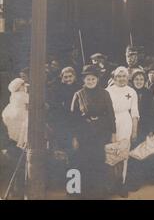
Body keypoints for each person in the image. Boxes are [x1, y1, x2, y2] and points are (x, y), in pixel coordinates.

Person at [71, 65, 116, 199]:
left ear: (97, 80)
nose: (90, 81)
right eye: (88, 79)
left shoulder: (105, 93)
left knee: (99, 161)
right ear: (84, 80)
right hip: (84, 134)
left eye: (93, 79)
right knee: (84, 162)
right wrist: (74, 137)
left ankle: (99, 193)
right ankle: (85, 194)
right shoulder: (78, 94)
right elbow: (73, 118)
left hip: (101, 134)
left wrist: (113, 133)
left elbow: (110, 114)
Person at [106, 66, 140, 198]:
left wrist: (134, 131)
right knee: (111, 152)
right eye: (118, 76)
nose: (121, 79)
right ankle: (111, 184)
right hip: (110, 123)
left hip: (126, 122)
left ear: (128, 78)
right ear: (114, 78)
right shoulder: (107, 91)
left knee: (124, 153)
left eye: (124, 76)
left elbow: (135, 112)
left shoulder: (131, 91)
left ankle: (121, 183)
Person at [47, 67, 80, 153]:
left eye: (70, 76)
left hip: (76, 117)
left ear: (74, 77)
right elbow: (54, 104)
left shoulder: (79, 87)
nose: (68, 79)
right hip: (62, 118)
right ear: (62, 77)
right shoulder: (57, 88)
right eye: (65, 77)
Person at [2, 78, 29, 149]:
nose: (25, 88)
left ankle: (17, 142)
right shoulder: (23, 95)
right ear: (20, 87)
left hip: (11, 112)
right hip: (20, 113)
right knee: (26, 125)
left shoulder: (13, 95)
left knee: (16, 130)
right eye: (23, 86)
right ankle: (23, 143)